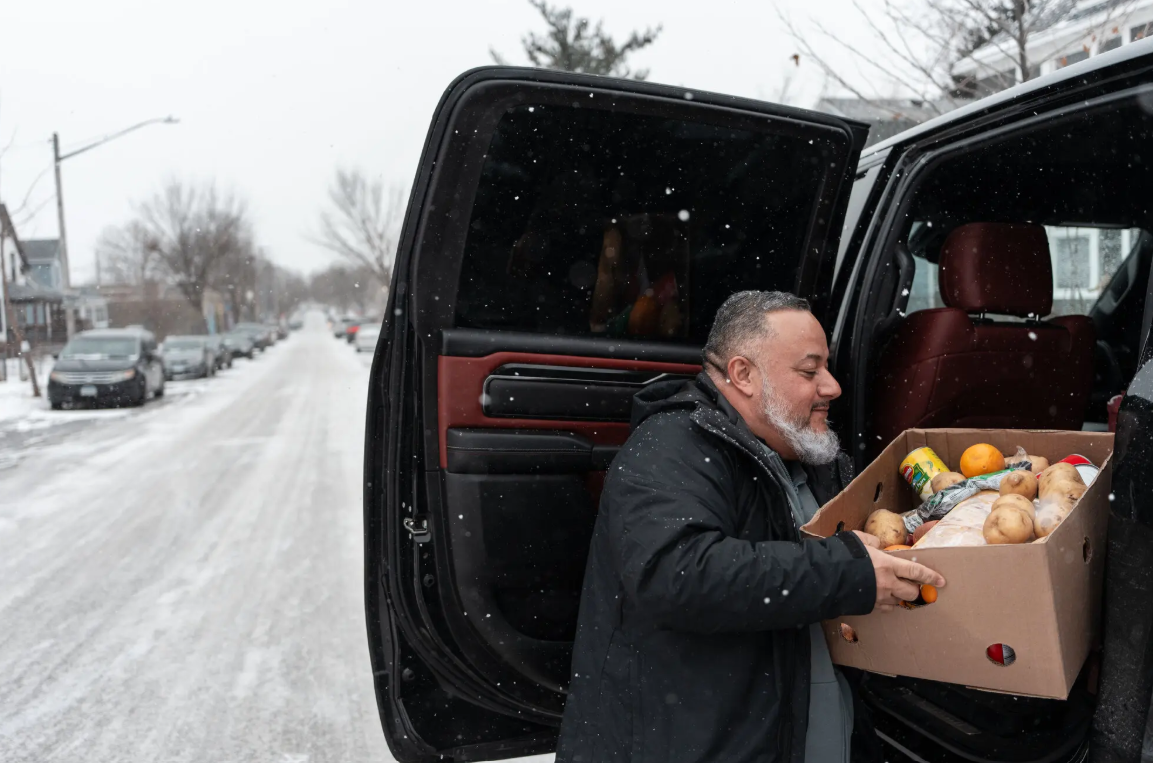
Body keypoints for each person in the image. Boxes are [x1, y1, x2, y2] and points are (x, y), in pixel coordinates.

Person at [555, 290, 946, 763]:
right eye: (809, 370)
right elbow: (677, 575)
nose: (832, 386)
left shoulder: (810, 453)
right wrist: (849, 574)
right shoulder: (668, 446)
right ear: (742, 374)